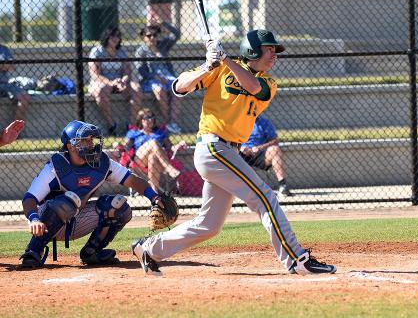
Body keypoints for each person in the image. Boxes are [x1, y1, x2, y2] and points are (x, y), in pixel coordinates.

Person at [131, 29, 337, 276]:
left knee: (209, 225)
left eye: (274, 50)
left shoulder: (268, 82)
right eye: (269, 49)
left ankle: (148, 249)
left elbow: (251, 87)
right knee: (265, 198)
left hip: (229, 152)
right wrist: (208, 65)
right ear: (253, 51)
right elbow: (178, 87)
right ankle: (297, 259)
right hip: (213, 147)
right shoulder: (219, 68)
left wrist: (226, 59)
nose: (274, 55)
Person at [18, 120, 164, 268]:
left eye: (91, 140)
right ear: (70, 146)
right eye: (84, 140)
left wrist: (155, 198)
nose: (90, 144)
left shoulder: (102, 162)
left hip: (77, 219)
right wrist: (34, 219)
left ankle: (91, 252)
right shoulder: (56, 166)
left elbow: (133, 180)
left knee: (119, 207)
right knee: (68, 201)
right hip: (45, 221)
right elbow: (29, 198)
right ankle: (33, 250)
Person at [88, 27, 142, 136]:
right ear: (106, 37)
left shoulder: (121, 52)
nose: (115, 38)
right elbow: (95, 74)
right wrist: (111, 83)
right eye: (112, 36)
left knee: (137, 88)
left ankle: (131, 125)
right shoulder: (97, 51)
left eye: (118, 36)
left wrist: (123, 81)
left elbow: (127, 72)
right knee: (101, 90)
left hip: (119, 83)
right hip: (101, 82)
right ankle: (112, 125)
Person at [122, 108, 187, 194]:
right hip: (140, 159)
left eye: (152, 117)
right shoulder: (134, 132)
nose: (150, 119)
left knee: (152, 157)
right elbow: (125, 147)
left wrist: (178, 145)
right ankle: (170, 169)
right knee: (153, 142)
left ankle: (154, 193)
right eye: (147, 117)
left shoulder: (160, 132)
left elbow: (170, 147)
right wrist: (117, 145)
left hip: (158, 160)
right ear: (141, 120)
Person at [135, 22, 182, 133]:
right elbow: (141, 71)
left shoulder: (163, 45)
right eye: (149, 35)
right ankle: (166, 122)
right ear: (143, 37)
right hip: (150, 80)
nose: (152, 37)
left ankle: (173, 123)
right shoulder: (141, 51)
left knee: (180, 88)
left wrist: (164, 24)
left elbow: (177, 35)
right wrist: (155, 77)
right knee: (160, 90)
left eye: (155, 35)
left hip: (168, 77)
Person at [239, 115, 291, 198]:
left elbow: (275, 140)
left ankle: (283, 185)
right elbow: (228, 139)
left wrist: (259, 148)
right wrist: (240, 147)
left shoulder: (263, 122)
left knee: (275, 149)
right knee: (234, 153)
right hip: (241, 153)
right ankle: (247, 189)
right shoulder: (237, 121)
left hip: (259, 153)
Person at [0, 44, 30, 121]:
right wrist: (4, 65)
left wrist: (4, 65)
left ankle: (15, 129)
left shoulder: (4, 49)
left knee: (24, 97)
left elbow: (12, 66)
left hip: (4, 83)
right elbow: (7, 65)